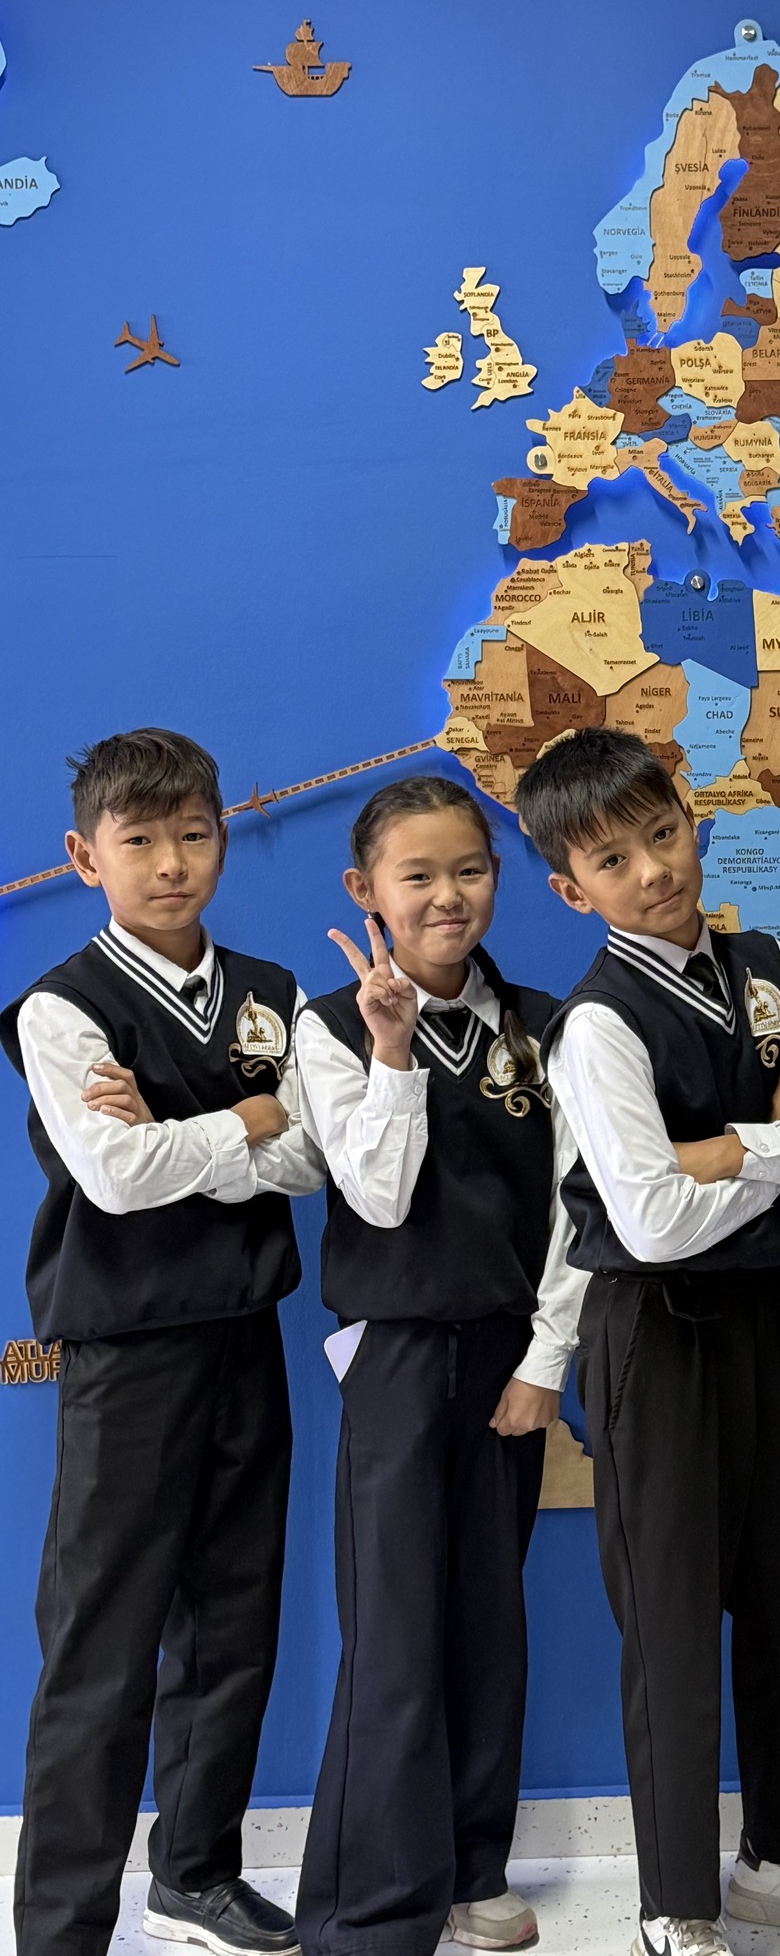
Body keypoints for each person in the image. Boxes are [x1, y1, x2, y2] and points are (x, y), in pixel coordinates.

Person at [514, 726, 780, 1956]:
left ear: (691, 821)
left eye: (663, 833)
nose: (653, 869)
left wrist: (725, 1149)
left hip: (772, 1316)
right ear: (571, 888)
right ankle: (675, 1901)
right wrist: (773, 1144)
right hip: (657, 1333)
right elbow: (644, 1218)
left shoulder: (768, 965)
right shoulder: (596, 1023)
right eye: (612, 858)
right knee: (675, 1617)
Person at [0, 728, 325, 1956]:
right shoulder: (59, 1008)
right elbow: (117, 1177)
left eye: (193, 833)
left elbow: (314, 1158)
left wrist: (189, 1127)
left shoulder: (273, 993)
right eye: (139, 839)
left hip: (247, 1335)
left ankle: (194, 1872)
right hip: (127, 1354)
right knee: (102, 1642)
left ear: (222, 840)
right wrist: (246, 1118)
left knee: (234, 1620)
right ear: (86, 854)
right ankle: (61, 1924)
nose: (171, 862)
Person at [293, 775, 570, 1956]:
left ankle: (471, 1864)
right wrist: (395, 1047)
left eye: (469, 869)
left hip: (508, 1356)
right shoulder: (329, 1026)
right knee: (396, 1630)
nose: (448, 895)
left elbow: (576, 1211)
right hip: (398, 1355)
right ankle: (370, 1906)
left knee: (488, 1621)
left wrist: (545, 1359)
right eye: (418, 875)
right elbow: (376, 1192)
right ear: (367, 890)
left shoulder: (545, 1025)